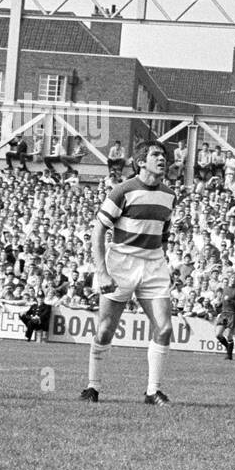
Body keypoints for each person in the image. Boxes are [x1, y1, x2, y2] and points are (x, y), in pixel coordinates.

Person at [79, 141, 177, 406]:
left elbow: (163, 234)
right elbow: (98, 231)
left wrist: (163, 263)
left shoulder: (169, 195)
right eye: (156, 155)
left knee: (165, 328)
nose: (162, 159)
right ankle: (92, 387)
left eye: (163, 155)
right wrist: (102, 272)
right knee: (105, 330)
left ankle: (152, 391)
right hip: (121, 264)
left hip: (153, 264)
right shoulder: (122, 191)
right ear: (141, 162)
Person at [215, 274, 235, 361]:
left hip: (232, 314)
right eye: (232, 278)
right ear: (229, 279)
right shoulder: (225, 289)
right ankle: (228, 347)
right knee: (218, 334)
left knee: (228, 335)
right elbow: (223, 300)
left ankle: (229, 355)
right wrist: (219, 304)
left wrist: (230, 300)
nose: (233, 280)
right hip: (224, 314)